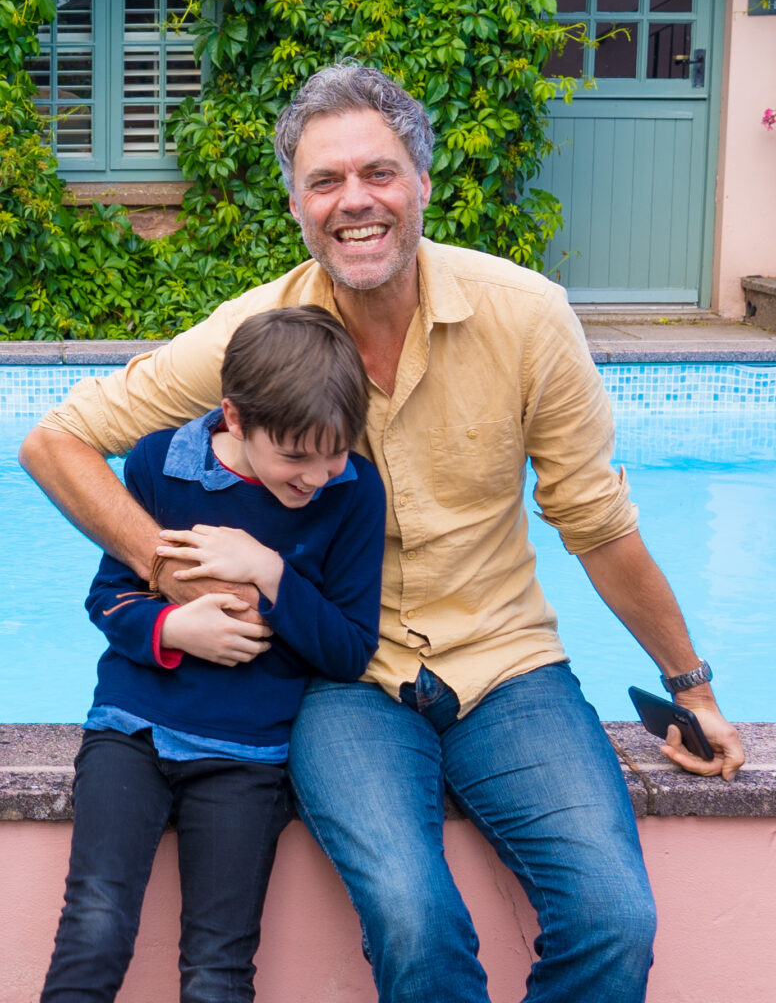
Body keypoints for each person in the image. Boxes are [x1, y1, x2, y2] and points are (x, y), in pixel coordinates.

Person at [22, 63, 745, 1003]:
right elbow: (55, 441)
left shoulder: (527, 317)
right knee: (413, 923)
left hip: (507, 665)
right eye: (324, 181)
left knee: (615, 918)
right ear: (296, 205)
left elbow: (596, 524)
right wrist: (172, 575)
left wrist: (693, 687)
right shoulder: (259, 336)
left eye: (378, 172)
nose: (354, 201)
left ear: (423, 184)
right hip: (344, 683)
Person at [38, 305, 386, 1003]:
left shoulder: (354, 492)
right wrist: (173, 629)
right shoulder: (159, 465)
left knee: (217, 968)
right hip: (130, 734)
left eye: (335, 452)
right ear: (234, 417)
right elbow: (107, 598)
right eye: (295, 456)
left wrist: (271, 571)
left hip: (247, 759)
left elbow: (349, 649)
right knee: (95, 929)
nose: (317, 475)